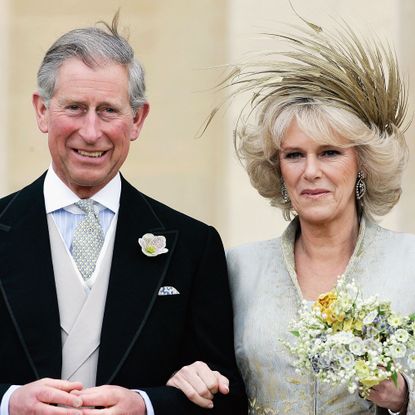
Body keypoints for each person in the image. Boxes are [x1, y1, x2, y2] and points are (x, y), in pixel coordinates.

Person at [0, 13, 247, 415]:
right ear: (42, 111)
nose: (92, 131)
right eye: (75, 108)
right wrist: (9, 402)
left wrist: (146, 405)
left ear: (138, 119)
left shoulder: (193, 247)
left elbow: (228, 397)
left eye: (109, 111)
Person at [167, 20, 415, 414]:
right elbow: (201, 370)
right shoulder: (237, 268)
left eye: (330, 152)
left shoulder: (410, 262)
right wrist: (186, 374)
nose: (310, 171)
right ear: (278, 168)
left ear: (362, 164)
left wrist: (405, 396)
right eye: (294, 155)